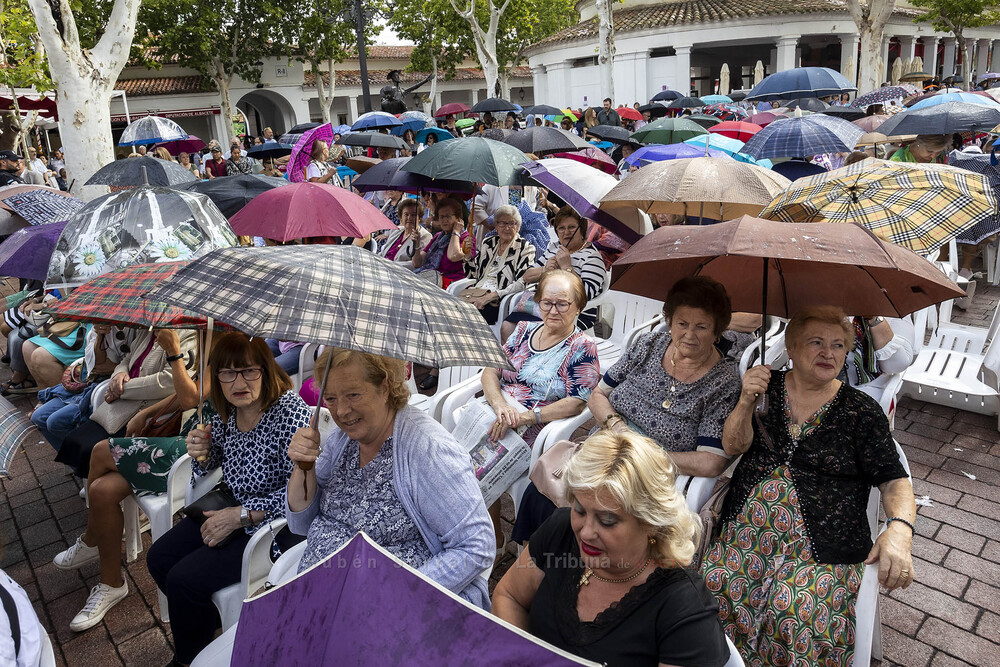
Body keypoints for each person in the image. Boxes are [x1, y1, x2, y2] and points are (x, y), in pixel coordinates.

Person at [703, 306, 915, 667]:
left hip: (823, 551)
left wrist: (900, 530)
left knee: (794, 609)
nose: (828, 353)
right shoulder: (765, 389)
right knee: (711, 586)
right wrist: (744, 402)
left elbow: (895, 480)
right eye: (816, 342)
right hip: (746, 535)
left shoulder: (860, 411)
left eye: (837, 345)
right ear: (792, 346)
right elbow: (733, 446)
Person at [492, 430, 731, 667]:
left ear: (650, 523)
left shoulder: (684, 607)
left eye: (607, 521)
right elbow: (509, 596)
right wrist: (522, 657)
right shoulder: (561, 529)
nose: (585, 532)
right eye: (580, 510)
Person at [147, 334, 311, 666]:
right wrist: (201, 451)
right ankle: (206, 627)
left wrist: (242, 515)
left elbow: (304, 496)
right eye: (227, 373)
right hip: (229, 505)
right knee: (159, 558)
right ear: (217, 376)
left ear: (265, 370)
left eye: (248, 371)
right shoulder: (226, 411)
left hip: (271, 525)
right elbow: (213, 461)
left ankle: (190, 658)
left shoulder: (289, 412)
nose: (239, 382)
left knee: (183, 581)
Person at [285, 348, 494, 607]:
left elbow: (475, 546)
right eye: (330, 398)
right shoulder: (343, 440)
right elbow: (301, 523)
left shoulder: (428, 450)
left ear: (385, 387)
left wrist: (395, 598)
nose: (341, 411)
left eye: (353, 395)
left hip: (394, 612)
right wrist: (302, 466)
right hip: (321, 596)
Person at [51, 330, 210, 632]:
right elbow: (186, 394)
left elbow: (192, 396)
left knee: (100, 451)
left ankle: (90, 539)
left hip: (198, 450)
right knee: (100, 489)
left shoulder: (228, 346)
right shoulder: (207, 337)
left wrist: (174, 352)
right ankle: (111, 584)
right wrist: (148, 413)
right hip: (184, 434)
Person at [481, 269, 600, 548]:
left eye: (562, 303)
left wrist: (524, 416)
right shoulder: (523, 331)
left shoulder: (582, 347)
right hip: (501, 412)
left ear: (578, 307)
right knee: (463, 453)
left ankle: (491, 538)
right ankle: (487, 530)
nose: (553, 310)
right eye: (546, 302)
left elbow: (577, 401)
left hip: (537, 424)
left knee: (480, 459)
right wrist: (500, 407)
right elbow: (490, 371)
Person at [589, 277, 740, 477]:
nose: (689, 334)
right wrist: (617, 427)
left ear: (717, 331)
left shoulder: (723, 383)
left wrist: (646, 455)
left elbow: (710, 462)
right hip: (606, 444)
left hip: (651, 473)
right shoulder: (649, 344)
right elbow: (598, 394)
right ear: (670, 321)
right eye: (682, 324)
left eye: (701, 327)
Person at [54, 329, 199, 478]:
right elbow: (127, 359)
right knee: (76, 441)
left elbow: (169, 382)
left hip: (142, 407)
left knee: (91, 449)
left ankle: (97, 483)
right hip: (118, 405)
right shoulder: (148, 331)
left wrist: (122, 389)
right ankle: (91, 481)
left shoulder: (185, 335)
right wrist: (119, 374)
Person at [500, 207, 607, 340]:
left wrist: (567, 267)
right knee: (507, 327)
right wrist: (545, 269)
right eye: (561, 228)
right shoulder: (554, 247)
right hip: (541, 305)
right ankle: (516, 360)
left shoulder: (592, 257)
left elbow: (585, 294)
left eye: (572, 227)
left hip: (570, 311)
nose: (566, 232)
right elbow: (526, 276)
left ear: (582, 230)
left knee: (535, 335)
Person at [462, 204, 537, 324]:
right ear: (496, 226)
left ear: (518, 227)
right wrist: (467, 256)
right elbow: (473, 275)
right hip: (477, 293)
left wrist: (492, 296)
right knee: (452, 311)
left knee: (470, 318)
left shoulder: (525, 248)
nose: (507, 228)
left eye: (512, 223)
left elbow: (522, 283)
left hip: (500, 300)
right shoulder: (488, 243)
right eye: (502, 223)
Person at [411, 196, 476, 288]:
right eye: (441, 217)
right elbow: (417, 263)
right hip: (432, 279)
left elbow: (453, 256)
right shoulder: (438, 237)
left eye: (448, 216)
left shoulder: (467, 238)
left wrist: (456, 232)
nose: (444, 220)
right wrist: (416, 243)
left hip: (453, 284)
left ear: (458, 219)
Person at [378, 198, 432, 264]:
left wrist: (392, 266)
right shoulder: (396, 231)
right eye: (406, 214)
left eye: (413, 215)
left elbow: (416, 264)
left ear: (420, 218)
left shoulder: (425, 236)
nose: (409, 218)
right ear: (401, 217)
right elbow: (383, 253)